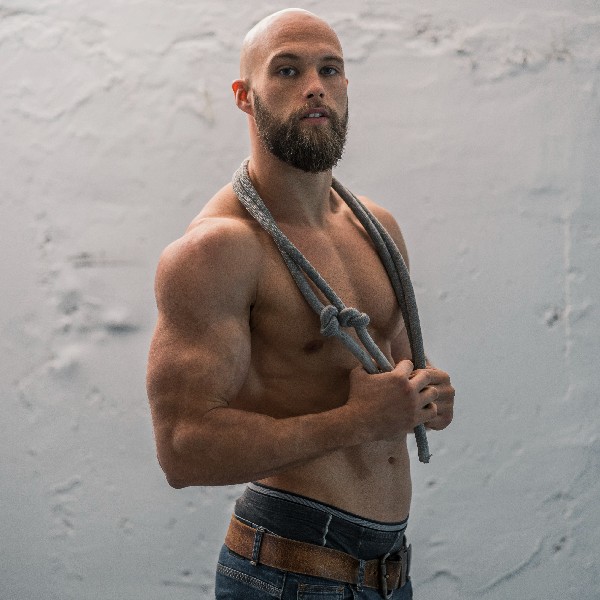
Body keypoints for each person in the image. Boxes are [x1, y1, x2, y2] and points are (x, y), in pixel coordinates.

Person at [146, 8, 455, 599]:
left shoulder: (377, 228)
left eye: (329, 69)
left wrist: (427, 395)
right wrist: (355, 422)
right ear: (245, 96)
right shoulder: (218, 250)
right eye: (287, 70)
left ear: (345, 86)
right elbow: (183, 450)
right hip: (288, 569)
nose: (314, 85)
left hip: (389, 569)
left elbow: (395, 376)